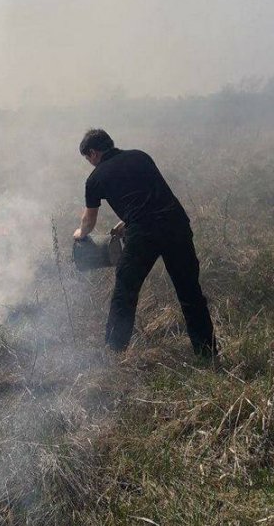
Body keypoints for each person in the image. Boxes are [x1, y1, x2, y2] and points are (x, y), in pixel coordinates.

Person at [73, 128, 216, 357]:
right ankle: (207, 352)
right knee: (190, 291)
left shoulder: (95, 178)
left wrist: (80, 233)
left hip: (144, 234)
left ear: (93, 153)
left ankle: (113, 351)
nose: (90, 163)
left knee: (125, 290)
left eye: (88, 158)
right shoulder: (140, 156)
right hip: (176, 225)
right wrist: (125, 222)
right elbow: (149, 195)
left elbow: (89, 220)